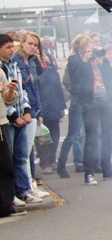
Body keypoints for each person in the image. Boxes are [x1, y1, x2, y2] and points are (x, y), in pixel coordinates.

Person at [67, 36, 112, 184]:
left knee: (107, 136)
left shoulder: (100, 59)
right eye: (88, 46)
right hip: (90, 103)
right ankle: (88, 173)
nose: (92, 49)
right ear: (80, 48)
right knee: (91, 137)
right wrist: (85, 60)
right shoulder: (76, 61)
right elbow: (76, 79)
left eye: (93, 45)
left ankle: (107, 170)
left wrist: (102, 62)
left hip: (106, 102)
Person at [0, 34, 40, 204]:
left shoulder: (14, 65)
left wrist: (27, 111)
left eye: (12, 47)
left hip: (21, 113)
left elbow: (21, 91)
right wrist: (15, 116)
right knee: (8, 158)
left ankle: (23, 189)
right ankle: (12, 196)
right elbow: (5, 98)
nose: (12, 50)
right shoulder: (2, 68)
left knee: (22, 155)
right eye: (8, 47)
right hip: (8, 119)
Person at [12, 31, 48, 197]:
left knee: (29, 150)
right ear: (22, 43)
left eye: (35, 45)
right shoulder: (16, 62)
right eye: (30, 44)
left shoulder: (32, 62)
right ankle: (26, 186)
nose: (33, 47)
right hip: (22, 110)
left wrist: (39, 110)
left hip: (33, 108)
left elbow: (36, 88)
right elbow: (22, 89)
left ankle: (30, 183)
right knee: (24, 152)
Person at [56, 35, 86, 178]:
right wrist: (76, 92)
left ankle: (91, 162)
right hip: (78, 101)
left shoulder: (92, 60)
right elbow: (67, 81)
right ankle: (61, 165)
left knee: (90, 132)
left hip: (90, 100)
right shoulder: (73, 62)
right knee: (73, 134)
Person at [37, 45, 66, 174]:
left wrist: (62, 106)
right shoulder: (35, 72)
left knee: (55, 136)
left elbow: (59, 89)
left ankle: (52, 159)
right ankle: (45, 162)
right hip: (42, 108)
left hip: (54, 107)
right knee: (43, 138)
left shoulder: (53, 71)